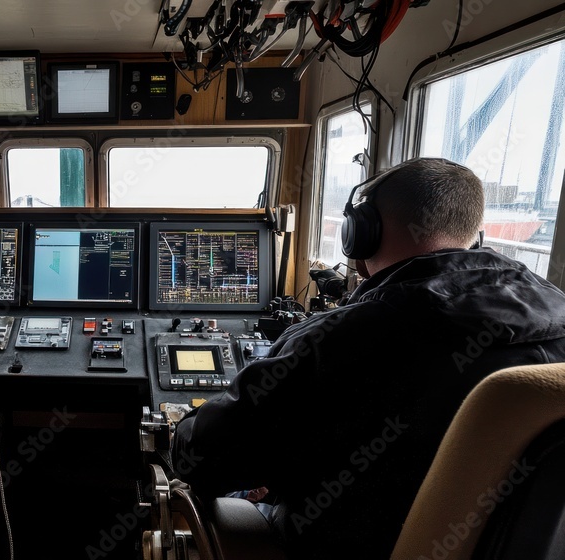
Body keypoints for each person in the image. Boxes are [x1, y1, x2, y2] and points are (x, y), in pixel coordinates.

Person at [172, 157, 565, 559]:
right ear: (474, 235)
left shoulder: (340, 340)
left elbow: (200, 460)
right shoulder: (558, 316)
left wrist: (186, 425)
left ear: (361, 234)